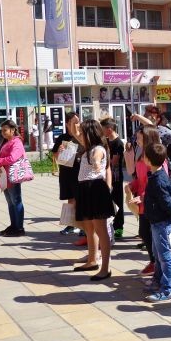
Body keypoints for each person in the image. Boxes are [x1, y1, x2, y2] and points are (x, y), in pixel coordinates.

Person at [73, 119, 114, 280]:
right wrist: (75, 123)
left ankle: (105, 268)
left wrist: (97, 163)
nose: (80, 135)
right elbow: (75, 133)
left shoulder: (98, 149)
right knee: (89, 229)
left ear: (89, 134)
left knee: (100, 230)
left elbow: (97, 158)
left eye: (83, 133)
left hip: (95, 189)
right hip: (86, 189)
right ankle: (92, 260)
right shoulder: (88, 147)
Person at [143, 142, 171, 303]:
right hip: (156, 221)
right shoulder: (156, 175)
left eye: (144, 156)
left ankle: (167, 290)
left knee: (165, 257)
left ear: (148, 160)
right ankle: (158, 281)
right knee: (158, 255)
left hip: (162, 223)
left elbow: (167, 201)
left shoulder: (158, 179)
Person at [127, 126, 164, 276]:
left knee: (153, 234)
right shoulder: (141, 156)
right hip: (143, 202)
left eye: (139, 138)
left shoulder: (156, 156)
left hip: (153, 203)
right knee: (144, 232)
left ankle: (159, 265)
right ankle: (153, 262)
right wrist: (131, 186)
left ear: (147, 138)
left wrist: (142, 196)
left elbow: (158, 182)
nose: (136, 140)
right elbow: (140, 179)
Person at [52, 112, 84, 240]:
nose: (76, 125)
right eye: (73, 122)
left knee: (81, 199)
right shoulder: (62, 137)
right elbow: (55, 155)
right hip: (66, 173)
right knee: (70, 199)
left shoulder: (82, 137)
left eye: (78, 122)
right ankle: (71, 224)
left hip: (80, 173)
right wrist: (59, 152)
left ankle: (83, 226)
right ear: (67, 124)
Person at [0, 120, 26, 236]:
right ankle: (13, 225)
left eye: (5, 130)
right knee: (10, 203)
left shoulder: (17, 142)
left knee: (16, 201)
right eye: (1, 130)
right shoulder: (7, 142)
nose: (3, 132)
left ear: (12, 130)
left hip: (13, 176)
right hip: (4, 177)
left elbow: (13, 158)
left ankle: (19, 228)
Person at [100, 117, 125, 239]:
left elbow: (114, 161)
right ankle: (109, 225)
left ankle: (119, 226)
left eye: (103, 129)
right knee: (108, 202)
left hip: (116, 178)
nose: (102, 131)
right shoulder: (105, 141)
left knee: (118, 201)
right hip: (106, 176)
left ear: (109, 129)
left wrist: (101, 160)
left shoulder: (118, 143)